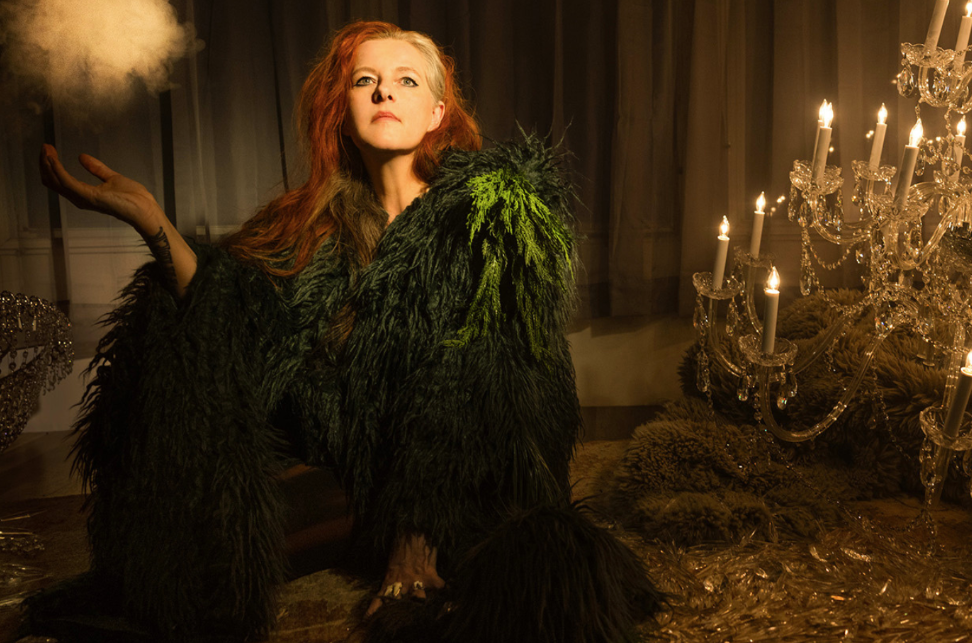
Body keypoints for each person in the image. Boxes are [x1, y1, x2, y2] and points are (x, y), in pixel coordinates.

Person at [22, 20, 663, 643]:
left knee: (532, 584)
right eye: (366, 80)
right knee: (194, 553)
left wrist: (417, 534)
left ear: (438, 114)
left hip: (472, 476)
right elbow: (243, 330)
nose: (385, 91)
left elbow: (479, 386)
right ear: (342, 109)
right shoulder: (310, 231)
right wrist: (151, 220)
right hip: (355, 478)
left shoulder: (491, 214)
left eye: (407, 81)